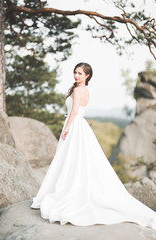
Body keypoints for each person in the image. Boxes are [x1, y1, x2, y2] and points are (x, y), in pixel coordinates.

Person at [31, 62, 156, 229]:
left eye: (80, 73)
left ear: (87, 76)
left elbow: (74, 111)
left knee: (69, 160)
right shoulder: (85, 90)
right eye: (75, 72)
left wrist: (66, 129)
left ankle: (70, 192)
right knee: (74, 160)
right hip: (80, 126)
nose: (76, 75)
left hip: (74, 126)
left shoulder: (77, 90)